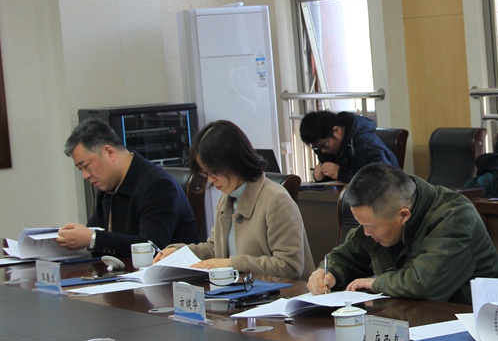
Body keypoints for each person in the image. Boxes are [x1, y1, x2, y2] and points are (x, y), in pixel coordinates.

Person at [306, 163, 498, 303]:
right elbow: (348, 256)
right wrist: (328, 272)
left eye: (370, 227)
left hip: (476, 325)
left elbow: (423, 284)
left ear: (403, 215)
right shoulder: (384, 217)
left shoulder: (455, 217)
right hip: (413, 320)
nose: (366, 233)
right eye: (362, 225)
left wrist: (377, 283)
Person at [155, 120, 314, 280]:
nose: (210, 179)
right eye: (205, 173)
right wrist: (181, 252)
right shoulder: (227, 198)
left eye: (214, 171)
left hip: (281, 292)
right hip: (241, 290)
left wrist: (232, 264)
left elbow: (289, 267)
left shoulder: (276, 200)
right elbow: (216, 249)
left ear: (235, 162)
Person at [56, 118, 200, 257]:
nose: (85, 175)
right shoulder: (107, 188)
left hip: (167, 272)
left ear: (110, 152)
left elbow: (151, 246)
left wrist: (92, 239)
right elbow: (97, 234)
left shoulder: (158, 185)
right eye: (80, 169)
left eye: (86, 166)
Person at [299, 111, 398, 183]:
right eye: (317, 148)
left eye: (324, 145)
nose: (323, 151)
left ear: (336, 131)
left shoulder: (365, 143)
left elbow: (382, 177)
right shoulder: (332, 147)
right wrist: (321, 175)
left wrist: (340, 173)